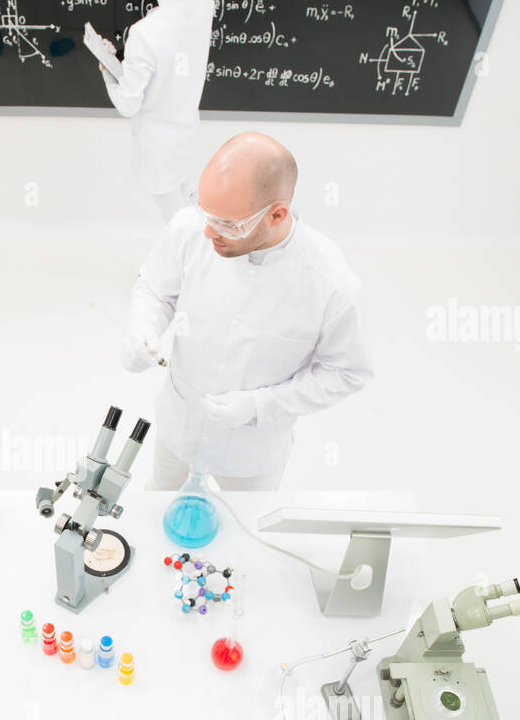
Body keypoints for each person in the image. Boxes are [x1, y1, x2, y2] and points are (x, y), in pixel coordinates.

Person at [122, 133, 373, 490]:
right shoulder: (191, 227)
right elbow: (155, 289)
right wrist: (141, 330)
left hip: (252, 453)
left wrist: (260, 406)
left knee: (248, 530)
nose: (210, 232)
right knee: (157, 504)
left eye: (228, 224)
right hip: (180, 426)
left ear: (277, 214)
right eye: (205, 212)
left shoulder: (330, 284)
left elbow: (347, 373)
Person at [99, 0, 214, 223]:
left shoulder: (144, 33)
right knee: (195, 213)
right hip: (188, 134)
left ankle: (185, 270)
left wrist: (108, 71)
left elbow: (128, 103)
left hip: (158, 148)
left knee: (179, 227)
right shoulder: (205, 2)